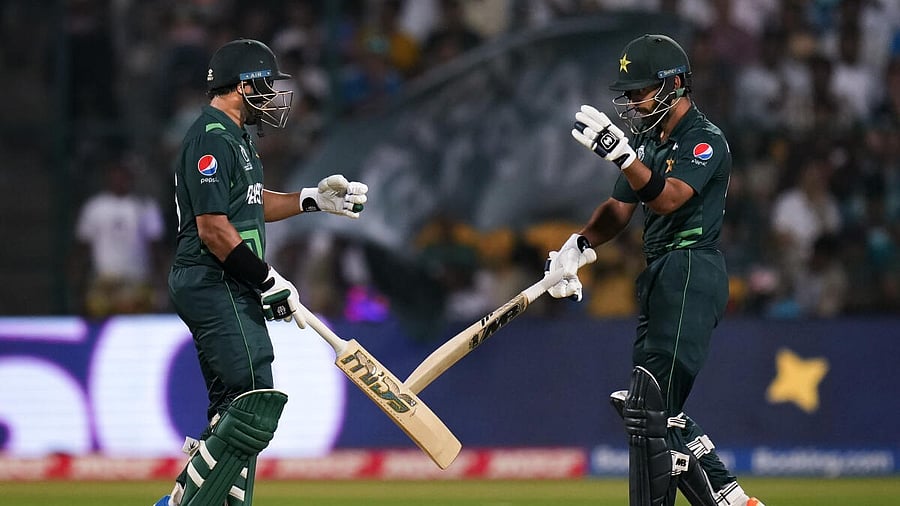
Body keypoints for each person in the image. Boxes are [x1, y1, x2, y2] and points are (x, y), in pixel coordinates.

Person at [545, 34, 764, 506]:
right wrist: (579, 243)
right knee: (653, 412)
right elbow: (620, 209)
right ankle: (731, 498)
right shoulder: (646, 141)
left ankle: (728, 499)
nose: (631, 102)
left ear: (677, 84)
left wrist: (624, 157)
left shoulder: (704, 140)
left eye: (640, 90)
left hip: (690, 269)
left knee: (649, 412)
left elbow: (667, 199)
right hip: (661, 276)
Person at [154, 38, 368, 506]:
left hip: (228, 281)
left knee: (234, 407)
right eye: (265, 85)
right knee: (253, 397)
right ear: (240, 86)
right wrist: (265, 277)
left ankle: (210, 496)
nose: (272, 96)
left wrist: (311, 199)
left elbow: (252, 204)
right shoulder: (210, 137)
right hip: (213, 279)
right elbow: (212, 229)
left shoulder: (237, 138)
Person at [71, 157, 166, 317]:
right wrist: (77, 280)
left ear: (132, 177)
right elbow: (83, 247)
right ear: (107, 176)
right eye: (116, 174)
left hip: (137, 281)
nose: (120, 179)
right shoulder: (95, 207)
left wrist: (161, 283)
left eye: (124, 175)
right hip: (104, 282)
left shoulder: (145, 206)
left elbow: (155, 248)